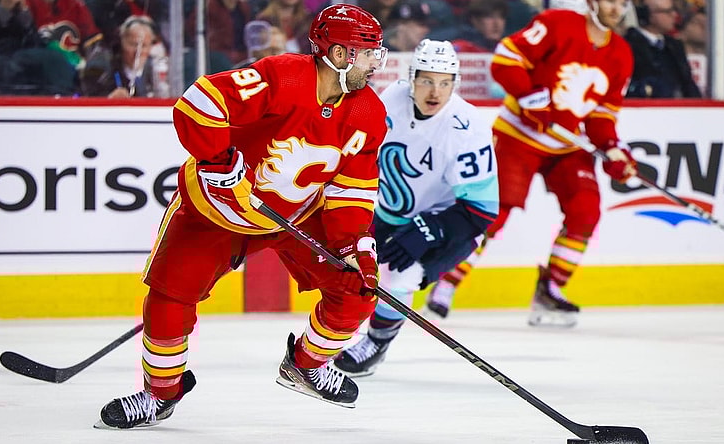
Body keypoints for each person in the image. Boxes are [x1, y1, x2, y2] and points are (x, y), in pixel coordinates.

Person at [94, 3, 389, 429]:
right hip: (215, 210)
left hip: (293, 217)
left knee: (357, 289)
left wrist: (353, 244)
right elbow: (198, 103)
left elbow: (351, 189)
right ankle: (160, 395)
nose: (373, 64)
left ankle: (305, 365)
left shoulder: (368, 112)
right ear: (339, 55)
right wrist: (217, 160)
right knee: (167, 304)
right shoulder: (282, 76)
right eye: (367, 54)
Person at [423, 0, 637, 328]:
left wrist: (612, 149)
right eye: (611, 0)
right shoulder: (557, 23)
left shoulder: (621, 53)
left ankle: (550, 290)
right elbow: (506, 59)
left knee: (585, 211)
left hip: (566, 145)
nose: (616, 8)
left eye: (623, 2)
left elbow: (601, 117)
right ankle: (447, 282)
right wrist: (529, 97)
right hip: (517, 136)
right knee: (493, 213)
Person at [332, 39, 498, 377]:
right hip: (388, 212)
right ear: (411, 79)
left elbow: (481, 211)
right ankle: (334, 332)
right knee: (345, 268)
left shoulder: (468, 126)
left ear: (456, 83)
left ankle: (377, 343)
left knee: (398, 277)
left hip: (449, 223)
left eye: (445, 82)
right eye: (426, 80)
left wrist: (429, 229)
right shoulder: (391, 99)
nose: (435, 91)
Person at [624, 0, 702, 98]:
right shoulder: (628, 44)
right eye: (667, 11)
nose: (674, 15)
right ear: (649, 15)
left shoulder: (674, 46)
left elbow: (688, 83)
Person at [81, 15, 169, 98]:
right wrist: (108, 99)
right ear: (121, 42)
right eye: (133, 44)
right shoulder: (101, 70)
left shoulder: (157, 70)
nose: (138, 52)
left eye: (144, 46)